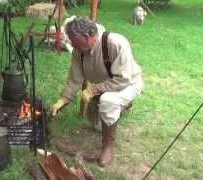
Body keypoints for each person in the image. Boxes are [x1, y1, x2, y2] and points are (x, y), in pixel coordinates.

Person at [51, 17, 143, 167]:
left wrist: (95, 89)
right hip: (104, 87)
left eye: (74, 42)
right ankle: (120, 107)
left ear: (86, 37)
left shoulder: (115, 43)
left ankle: (107, 147)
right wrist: (63, 99)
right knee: (97, 125)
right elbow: (75, 78)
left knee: (108, 102)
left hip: (128, 84)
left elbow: (123, 79)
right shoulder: (79, 50)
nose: (72, 45)